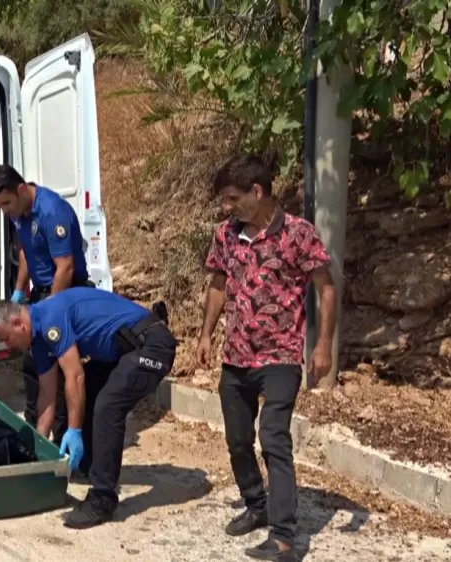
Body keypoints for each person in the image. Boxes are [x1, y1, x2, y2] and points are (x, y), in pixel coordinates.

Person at [197, 154, 336, 562]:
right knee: (238, 441)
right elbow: (218, 285)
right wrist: (206, 334)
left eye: (231, 198)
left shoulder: (298, 234)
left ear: (257, 192)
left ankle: (284, 537)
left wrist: (323, 343)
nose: (226, 207)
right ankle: (256, 504)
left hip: (281, 356)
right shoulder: (225, 235)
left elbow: (325, 288)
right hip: (236, 356)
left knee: (273, 437)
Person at [0, 287, 177, 529]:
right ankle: (89, 466)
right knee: (89, 390)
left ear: (18, 324)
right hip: (124, 350)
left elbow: (74, 375)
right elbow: (47, 397)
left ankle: (103, 497)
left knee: (108, 405)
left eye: (6, 338)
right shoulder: (38, 339)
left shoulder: (49, 320)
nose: (7, 345)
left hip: (151, 345)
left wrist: (74, 431)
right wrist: (36, 454)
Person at [0, 164, 91, 448]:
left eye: (6, 203)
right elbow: (26, 251)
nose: (4, 210)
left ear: (21, 190)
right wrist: (19, 291)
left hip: (64, 295)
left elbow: (65, 268)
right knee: (35, 371)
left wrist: (49, 312)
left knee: (58, 376)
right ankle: (37, 443)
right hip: (41, 295)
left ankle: (66, 449)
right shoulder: (20, 212)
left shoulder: (51, 211)